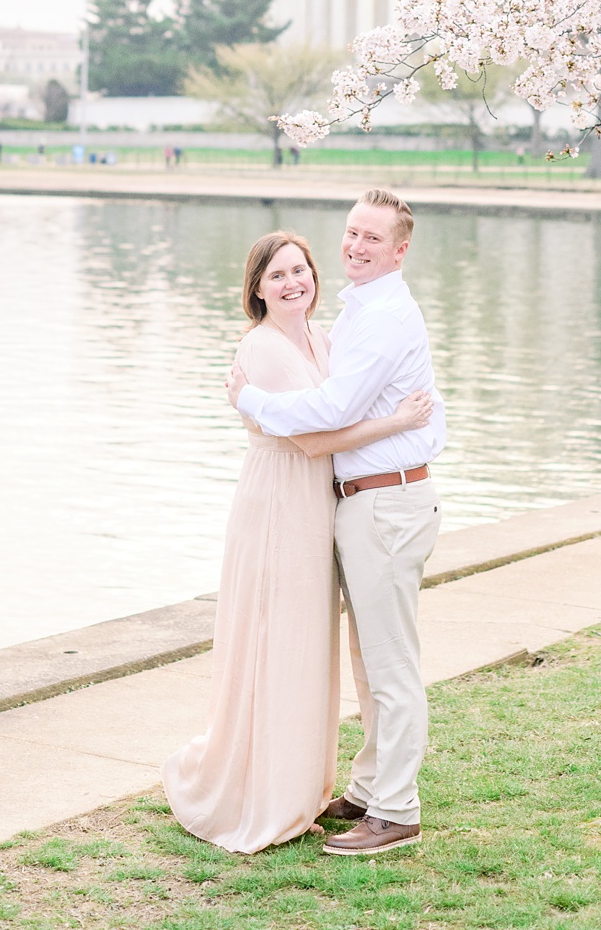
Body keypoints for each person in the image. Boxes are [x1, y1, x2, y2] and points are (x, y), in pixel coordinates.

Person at [164, 233, 435, 853]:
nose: (293, 283)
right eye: (278, 275)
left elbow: (340, 407)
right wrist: (400, 421)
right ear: (256, 288)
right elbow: (314, 440)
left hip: (320, 505)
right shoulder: (260, 350)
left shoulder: (320, 338)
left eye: (301, 270)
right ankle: (266, 794)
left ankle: (304, 783)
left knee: (309, 648)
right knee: (277, 645)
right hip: (281, 503)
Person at [229, 187, 447, 854]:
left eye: (373, 238)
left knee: (390, 665)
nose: (355, 245)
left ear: (399, 249)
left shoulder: (381, 317)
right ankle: (370, 787)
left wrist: (254, 404)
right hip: (366, 500)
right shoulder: (359, 311)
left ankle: (397, 811)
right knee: (369, 660)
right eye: (352, 232)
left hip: (385, 501)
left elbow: (331, 409)